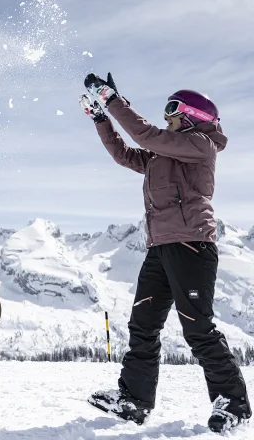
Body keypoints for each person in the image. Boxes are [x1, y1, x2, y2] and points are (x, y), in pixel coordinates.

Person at [79, 73, 251, 432]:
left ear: (193, 115)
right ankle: (134, 401)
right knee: (143, 325)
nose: (167, 116)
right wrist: (101, 118)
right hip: (159, 248)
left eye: (172, 109)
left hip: (191, 246)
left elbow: (143, 134)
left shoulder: (200, 145)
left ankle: (232, 404)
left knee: (197, 328)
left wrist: (112, 99)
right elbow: (126, 154)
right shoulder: (164, 152)